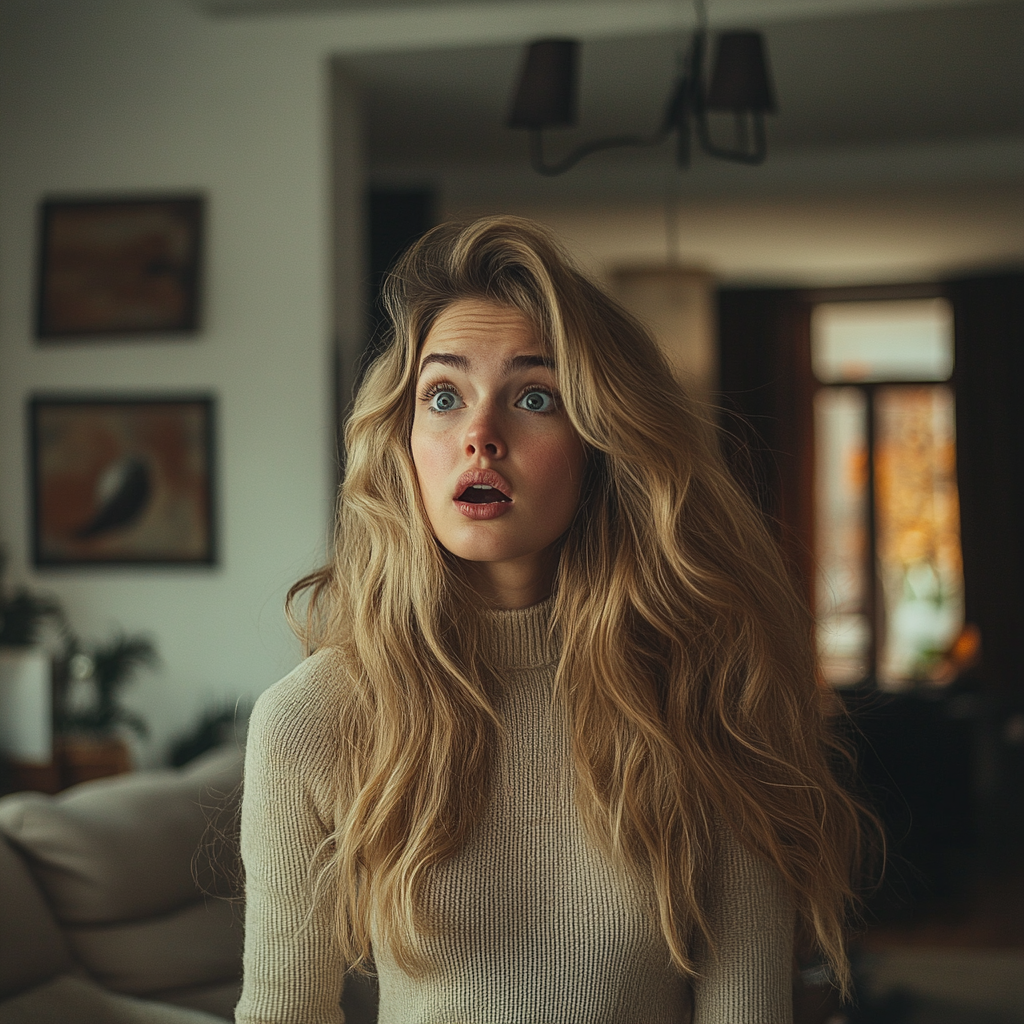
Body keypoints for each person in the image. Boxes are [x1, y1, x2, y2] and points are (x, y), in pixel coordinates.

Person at [236, 216, 871, 1024]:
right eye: (443, 396)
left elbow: (748, 1011)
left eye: (535, 397)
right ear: (401, 440)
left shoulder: (708, 692)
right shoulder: (310, 721)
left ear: (601, 443)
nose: (479, 437)